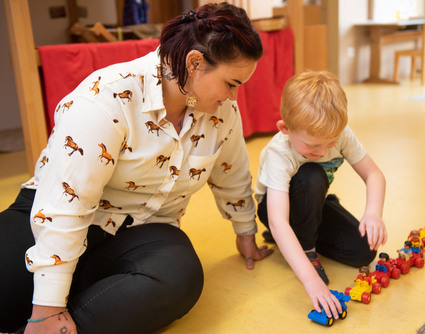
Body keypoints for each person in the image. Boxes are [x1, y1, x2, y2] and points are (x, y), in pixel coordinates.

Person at [0, 3, 273, 334]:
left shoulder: (221, 111)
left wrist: (245, 232)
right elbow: (65, 204)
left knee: (179, 276)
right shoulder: (107, 97)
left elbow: (233, 173)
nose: (234, 96)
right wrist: (48, 308)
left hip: (141, 230)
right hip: (51, 217)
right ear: (195, 63)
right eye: (232, 83)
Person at [255, 71, 387, 319]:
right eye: (312, 145)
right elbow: (278, 220)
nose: (322, 151)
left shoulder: (341, 135)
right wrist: (310, 280)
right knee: (312, 174)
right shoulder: (278, 153)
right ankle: (305, 247)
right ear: (285, 129)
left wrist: (373, 213)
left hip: (313, 203)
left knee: (364, 251)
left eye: (330, 143)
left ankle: (304, 232)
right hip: (276, 210)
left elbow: (374, 175)